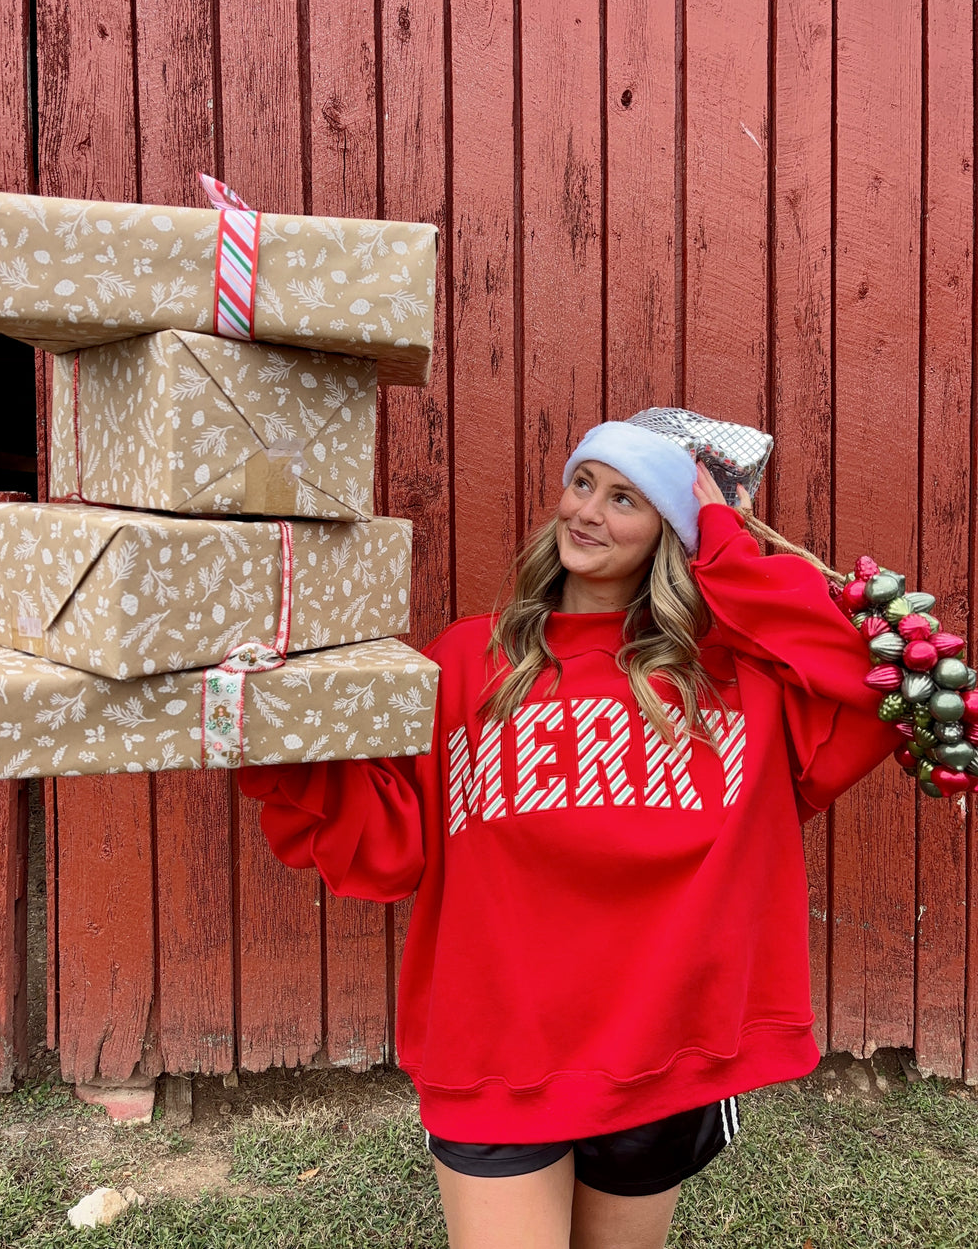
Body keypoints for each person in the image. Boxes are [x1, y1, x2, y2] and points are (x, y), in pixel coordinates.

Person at [239, 418, 899, 1249]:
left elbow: (877, 680)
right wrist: (273, 742)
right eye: (583, 482)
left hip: (665, 1050)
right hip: (496, 1047)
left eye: (627, 497)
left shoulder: (731, 679)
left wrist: (725, 548)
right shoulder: (470, 661)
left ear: (672, 530)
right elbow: (393, 845)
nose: (588, 511)